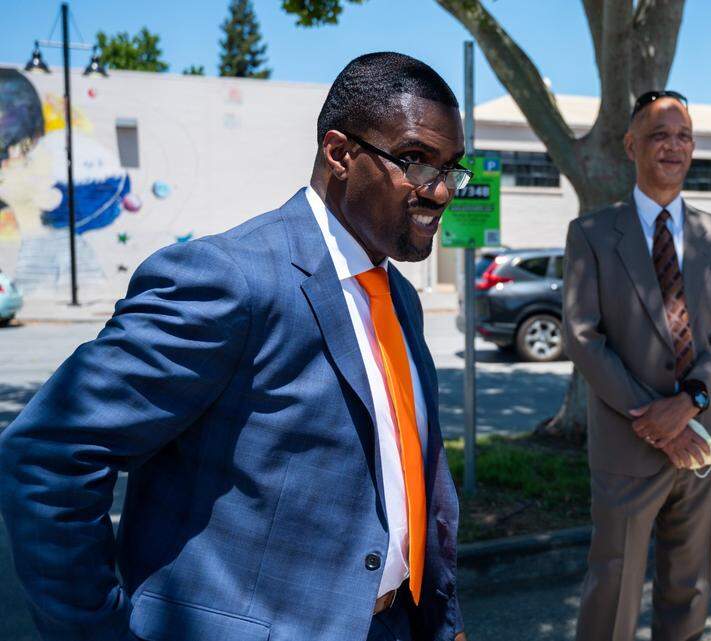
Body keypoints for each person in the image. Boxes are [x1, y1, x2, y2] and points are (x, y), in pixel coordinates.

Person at [0, 53, 469, 641]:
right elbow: (47, 454)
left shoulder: (401, 299)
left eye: (452, 168)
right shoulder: (230, 280)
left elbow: (408, 488)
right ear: (340, 154)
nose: (442, 191)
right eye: (416, 161)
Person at [563, 90, 711, 641]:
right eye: (659, 135)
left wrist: (689, 403)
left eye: (683, 136)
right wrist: (655, 418)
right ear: (630, 145)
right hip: (629, 442)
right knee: (613, 592)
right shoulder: (594, 234)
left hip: (705, 437)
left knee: (690, 590)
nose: (673, 146)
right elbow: (582, 337)